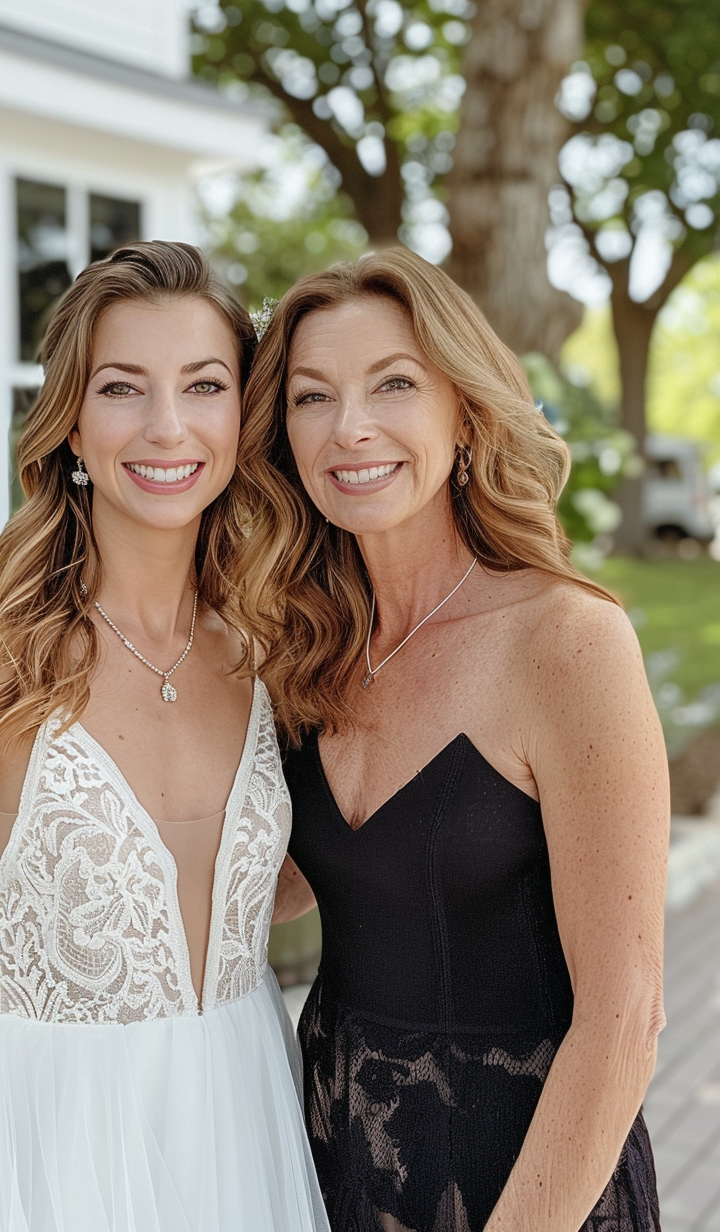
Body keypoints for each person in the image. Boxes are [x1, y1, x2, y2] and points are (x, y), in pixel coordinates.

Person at [0, 242, 328, 1232]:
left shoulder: (279, 647)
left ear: (241, 416)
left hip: (248, 1111)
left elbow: (301, 869)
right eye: (122, 387)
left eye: (203, 385)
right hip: (52, 1138)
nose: (166, 426)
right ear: (71, 423)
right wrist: (80, 1058)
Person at [229, 248, 668, 1232]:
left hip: (524, 1171)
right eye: (311, 396)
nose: (350, 427)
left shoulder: (565, 641)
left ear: (464, 410)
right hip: (332, 1151)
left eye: (394, 382)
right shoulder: (301, 649)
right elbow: (275, 888)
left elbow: (625, 1020)